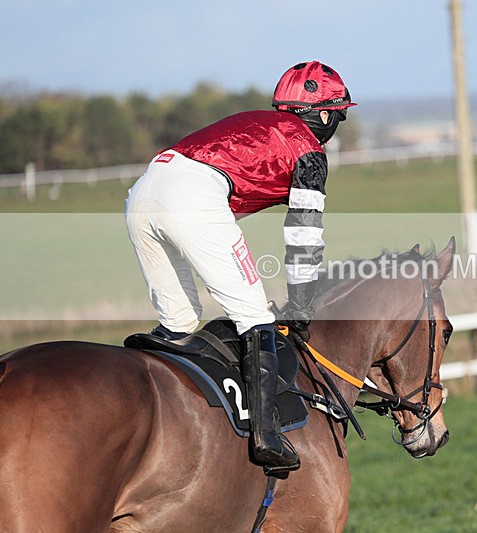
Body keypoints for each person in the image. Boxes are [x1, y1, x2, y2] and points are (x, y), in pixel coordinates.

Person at [124, 61, 355, 475]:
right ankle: (268, 436)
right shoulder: (310, 151)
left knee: (179, 319)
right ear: (324, 114)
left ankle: (136, 392)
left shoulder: (255, 121)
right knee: (255, 317)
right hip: (191, 196)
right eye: (338, 114)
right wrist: (301, 307)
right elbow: (303, 235)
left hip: (143, 190)